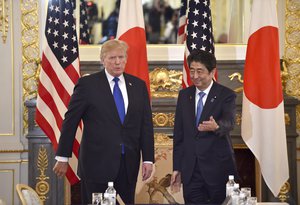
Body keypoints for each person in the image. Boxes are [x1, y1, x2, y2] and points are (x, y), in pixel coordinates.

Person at [53, 39, 154, 204]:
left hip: (128, 165)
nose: (117, 62)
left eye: (121, 57)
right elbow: (70, 121)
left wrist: (148, 159)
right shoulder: (88, 85)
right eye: (112, 58)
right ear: (102, 60)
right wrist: (63, 156)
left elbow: (146, 125)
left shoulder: (138, 86)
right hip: (96, 166)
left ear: (126, 59)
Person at [170, 50, 238, 204]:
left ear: (212, 71)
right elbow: (179, 135)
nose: (194, 76)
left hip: (217, 170)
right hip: (191, 171)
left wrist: (216, 126)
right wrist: (177, 168)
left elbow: (230, 122)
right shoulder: (184, 95)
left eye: (199, 71)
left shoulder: (226, 95)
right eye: (191, 71)